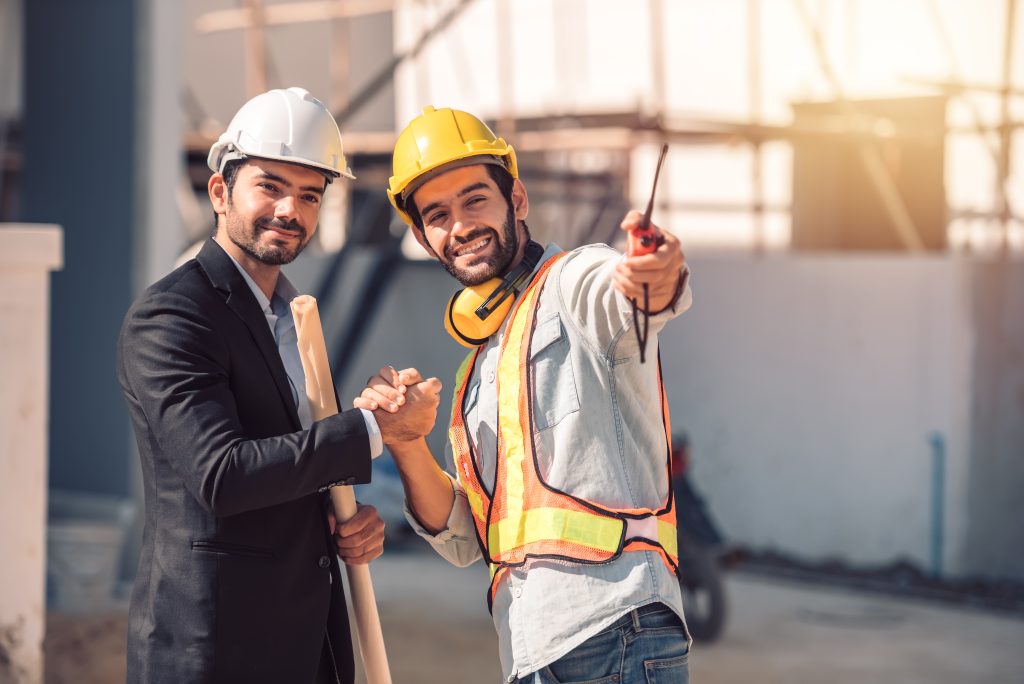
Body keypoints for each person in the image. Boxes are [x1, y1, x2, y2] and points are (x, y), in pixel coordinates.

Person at [358, 106, 693, 683]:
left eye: (474, 199)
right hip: (532, 649)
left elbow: (627, 292)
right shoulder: (480, 368)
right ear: (421, 236)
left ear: (516, 199)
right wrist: (408, 444)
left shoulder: (572, 281)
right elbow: (466, 541)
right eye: (438, 214)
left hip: (613, 628)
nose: (459, 225)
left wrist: (654, 277)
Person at [117, 87, 440, 684]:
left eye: (310, 195)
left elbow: (288, 470)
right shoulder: (173, 316)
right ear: (220, 191)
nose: (291, 209)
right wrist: (374, 428)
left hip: (304, 644)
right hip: (212, 651)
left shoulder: (295, 320)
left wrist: (343, 521)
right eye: (270, 186)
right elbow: (223, 475)